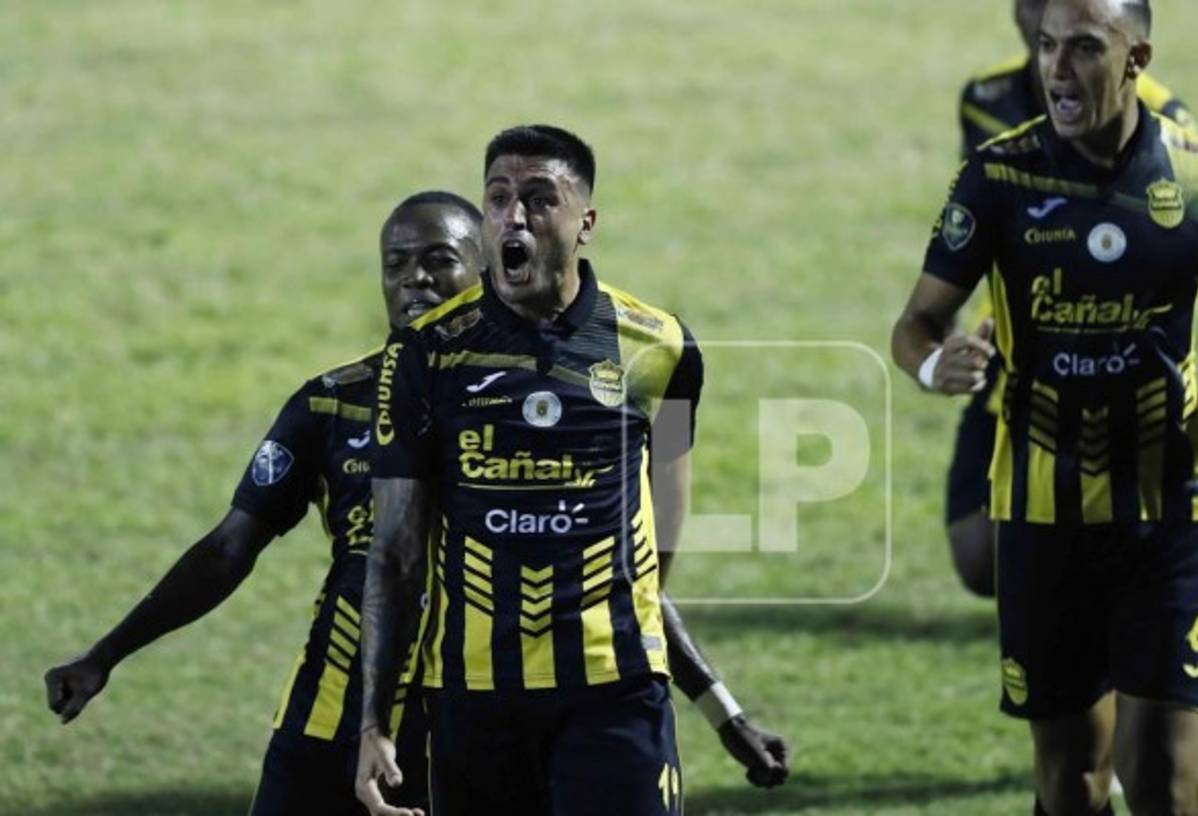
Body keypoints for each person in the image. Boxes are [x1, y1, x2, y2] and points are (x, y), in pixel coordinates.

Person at [45, 190, 787, 816]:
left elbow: (622, 586)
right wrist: (105, 656)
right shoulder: (328, 405)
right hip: (328, 721)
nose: (415, 280)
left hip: (459, 726)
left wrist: (724, 714)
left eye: (438, 260)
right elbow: (227, 548)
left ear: (488, 269)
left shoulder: (539, 411)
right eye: (396, 264)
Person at [893, 1, 1198, 813]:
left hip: (1169, 510)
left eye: (1083, 48)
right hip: (1042, 515)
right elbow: (917, 323)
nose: (1057, 69)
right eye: (1047, 47)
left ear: (1136, 57)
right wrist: (935, 364)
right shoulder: (997, 175)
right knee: (1072, 780)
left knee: (1164, 783)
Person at [357, 125, 714, 816]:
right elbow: (396, 549)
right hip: (473, 697)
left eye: (539, 199)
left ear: (586, 223)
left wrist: (631, 613)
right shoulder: (425, 354)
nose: (513, 216)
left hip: (615, 689)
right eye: (498, 198)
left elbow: (669, 505)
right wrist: (375, 722)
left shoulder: (662, 349)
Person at [946, 0, 1198, 598]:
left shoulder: (1165, 120)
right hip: (1013, 338)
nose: (1041, 18)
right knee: (978, 556)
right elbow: (974, 215)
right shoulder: (985, 99)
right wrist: (947, 322)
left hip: (1115, 348)